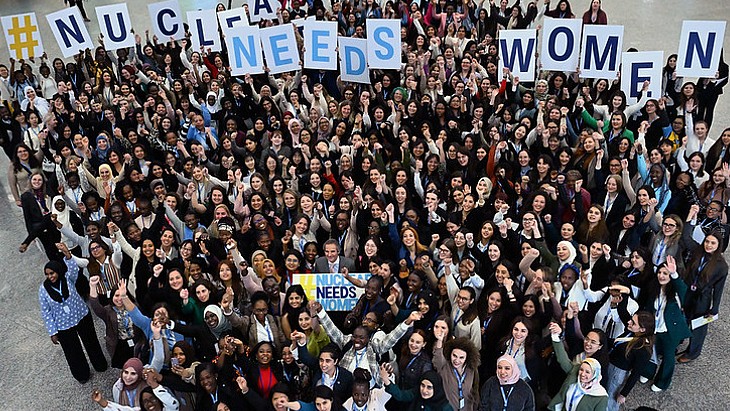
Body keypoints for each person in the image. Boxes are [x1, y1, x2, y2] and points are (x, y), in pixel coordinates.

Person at [39, 243, 108, 383]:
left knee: (91, 342)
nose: (50, 276)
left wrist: (67, 253)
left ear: (57, 271)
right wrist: (52, 332)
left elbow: (73, 268)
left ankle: (100, 365)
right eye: (47, 275)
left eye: (52, 273)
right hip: (63, 326)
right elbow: (45, 312)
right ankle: (82, 375)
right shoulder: (43, 290)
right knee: (72, 352)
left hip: (81, 315)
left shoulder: (68, 278)